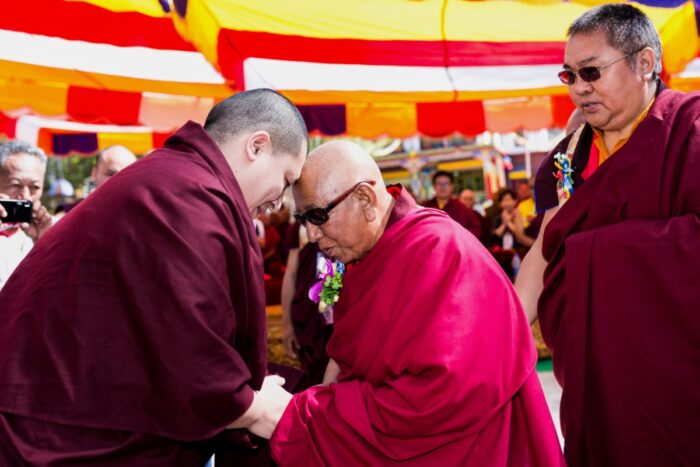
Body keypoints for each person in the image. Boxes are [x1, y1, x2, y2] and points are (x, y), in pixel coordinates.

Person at [0, 88, 308, 465]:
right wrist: (254, 407)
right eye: (287, 178)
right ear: (257, 146)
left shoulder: (172, 178)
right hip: (60, 428)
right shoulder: (186, 197)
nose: (280, 202)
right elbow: (188, 352)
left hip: (68, 403)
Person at [270, 141, 563, 466]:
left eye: (318, 216)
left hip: (472, 447)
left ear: (365, 199)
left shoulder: (438, 250)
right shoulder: (365, 251)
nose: (311, 235)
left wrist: (320, 413)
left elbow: (444, 395)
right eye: (302, 219)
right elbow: (349, 354)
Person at [515, 4, 700, 466]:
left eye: (592, 71)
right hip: (594, 371)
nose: (579, 88)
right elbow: (548, 244)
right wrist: (502, 334)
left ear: (644, 63)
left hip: (678, 369)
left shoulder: (689, 130)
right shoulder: (572, 154)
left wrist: (595, 252)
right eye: (570, 75)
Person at [280, 222, 333, 387]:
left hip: (341, 301)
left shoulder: (347, 213)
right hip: (309, 310)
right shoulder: (301, 225)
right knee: (314, 370)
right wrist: (287, 324)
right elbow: (291, 273)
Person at [0, 141, 53, 290]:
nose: (25, 196)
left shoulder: (54, 230)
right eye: (15, 185)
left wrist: (44, 243)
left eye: (34, 187)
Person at [422, 170, 481, 238]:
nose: (443, 187)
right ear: (434, 187)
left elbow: (475, 229)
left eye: (446, 183)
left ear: (452, 186)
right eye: (439, 184)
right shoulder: (426, 207)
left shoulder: (462, 208)